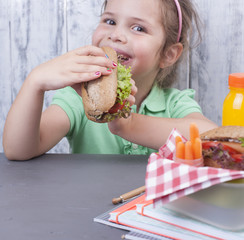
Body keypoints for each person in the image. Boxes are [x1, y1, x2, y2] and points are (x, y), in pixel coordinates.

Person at [3, 0, 217, 160]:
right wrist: (34, 83)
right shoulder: (79, 100)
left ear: (168, 54)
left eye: (138, 28)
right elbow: (18, 150)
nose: (116, 34)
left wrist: (129, 125)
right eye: (110, 21)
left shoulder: (174, 103)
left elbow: (212, 140)